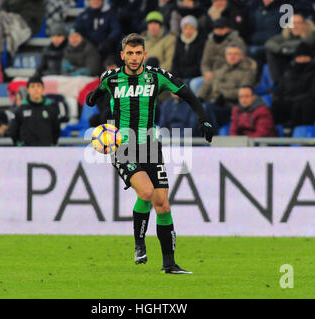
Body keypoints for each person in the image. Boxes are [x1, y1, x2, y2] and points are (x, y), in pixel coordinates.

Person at [85, 33, 216, 274]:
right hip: (123, 146)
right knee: (145, 191)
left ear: (144, 54)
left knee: (163, 204)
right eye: (129, 53)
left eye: (138, 53)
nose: (134, 58)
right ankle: (139, 244)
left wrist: (203, 120)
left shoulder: (156, 77)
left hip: (150, 146)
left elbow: (188, 94)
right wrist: (93, 97)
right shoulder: (112, 78)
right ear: (122, 55)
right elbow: (94, 95)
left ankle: (169, 264)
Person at [198, 43, 257, 126]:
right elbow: (208, 84)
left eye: (235, 54)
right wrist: (199, 98)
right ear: (226, 56)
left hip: (231, 106)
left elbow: (244, 93)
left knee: (206, 109)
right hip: (213, 102)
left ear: (242, 56)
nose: (232, 56)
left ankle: (212, 135)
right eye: (229, 54)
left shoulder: (247, 72)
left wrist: (222, 93)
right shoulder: (220, 69)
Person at [190, 17, 246, 95]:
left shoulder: (237, 41)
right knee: (195, 83)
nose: (219, 31)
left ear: (228, 28)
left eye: (222, 28)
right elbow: (205, 62)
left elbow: (239, 60)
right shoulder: (210, 42)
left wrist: (216, 74)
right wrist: (206, 72)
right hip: (212, 75)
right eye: (217, 28)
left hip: (229, 73)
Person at [272, 42, 315, 126]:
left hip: (302, 102)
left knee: (300, 106)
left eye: (305, 56)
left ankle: (298, 133)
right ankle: (278, 132)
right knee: (276, 104)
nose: (302, 59)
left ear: (311, 58)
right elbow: (279, 90)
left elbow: (313, 93)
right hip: (288, 101)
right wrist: (277, 98)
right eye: (300, 56)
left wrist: (294, 100)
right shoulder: (288, 72)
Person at [264, 13, 315, 84]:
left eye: (298, 23)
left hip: (306, 66)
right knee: (270, 51)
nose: (295, 26)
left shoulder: (312, 34)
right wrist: (282, 50)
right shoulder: (285, 36)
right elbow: (268, 43)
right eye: (292, 23)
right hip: (286, 61)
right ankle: (279, 83)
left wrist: (284, 46)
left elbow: (302, 44)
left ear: (305, 24)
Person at [9, 76, 60, 146]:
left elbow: (56, 131)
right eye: (32, 86)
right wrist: (21, 144)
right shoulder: (20, 110)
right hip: (26, 152)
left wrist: (50, 144)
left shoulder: (51, 108)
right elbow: (13, 132)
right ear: (28, 90)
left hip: (46, 152)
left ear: (43, 89)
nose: (36, 89)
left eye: (38, 86)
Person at [171, 15, 206, 81]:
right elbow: (175, 61)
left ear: (195, 29)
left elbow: (199, 64)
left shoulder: (200, 42)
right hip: (180, 75)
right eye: (186, 28)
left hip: (194, 76)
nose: (188, 31)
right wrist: (176, 75)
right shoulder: (179, 41)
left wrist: (184, 74)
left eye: (191, 28)